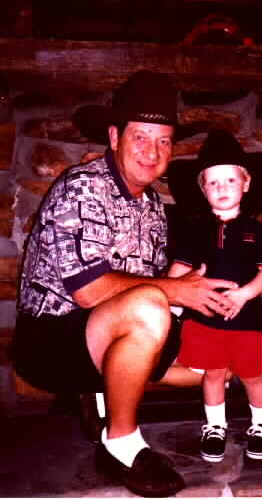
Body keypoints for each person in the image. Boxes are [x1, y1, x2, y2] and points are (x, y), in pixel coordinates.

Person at [11, 71, 240, 498]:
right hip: (52, 340)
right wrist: (172, 293)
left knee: (219, 360)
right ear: (115, 137)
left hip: (114, 329)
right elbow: (90, 291)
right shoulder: (83, 187)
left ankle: (103, 393)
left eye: (165, 141)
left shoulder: (153, 202)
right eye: (141, 137)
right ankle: (121, 442)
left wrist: (201, 305)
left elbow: (152, 283)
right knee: (151, 307)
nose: (153, 153)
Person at [167, 128, 262, 464]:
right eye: (213, 182)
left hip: (245, 321)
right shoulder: (194, 230)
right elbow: (179, 269)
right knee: (212, 374)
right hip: (203, 322)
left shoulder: (256, 231)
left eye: (230, 180)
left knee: (252, 375)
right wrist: (172, 303)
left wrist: (245, 294)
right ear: (203, 190)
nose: (222, 188)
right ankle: (215, 426)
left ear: (245, 184)